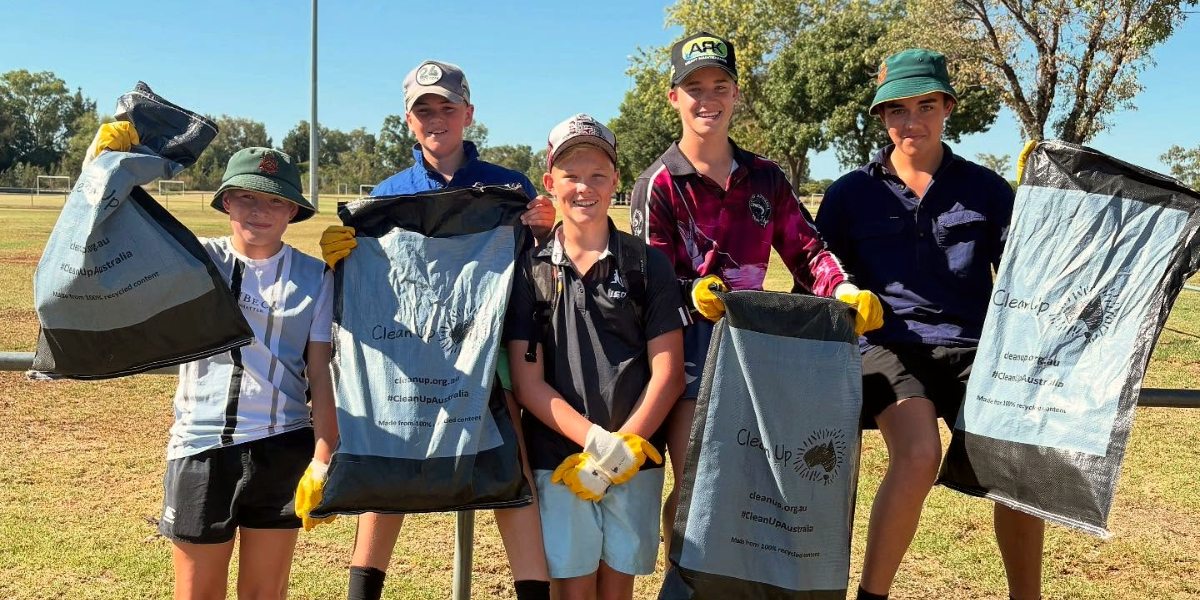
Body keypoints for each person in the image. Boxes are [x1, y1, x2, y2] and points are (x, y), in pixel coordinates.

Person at [629, 31, 884, 557]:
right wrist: (690, 291)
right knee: (702, 488)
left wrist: (847, 289)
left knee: (756, 490)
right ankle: (686, 581)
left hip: (761, 355)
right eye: (694, 87)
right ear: (674, 97)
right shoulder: (658, 183)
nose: (708, 99)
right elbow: (645, 282)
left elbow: (809, 252)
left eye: (720, 85)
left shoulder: (767, 177)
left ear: (736, 93)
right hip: (688, 360)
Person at [318, 59, 555, 600]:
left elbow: (533, 271)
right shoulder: (387, 194)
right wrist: (343, 261)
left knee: (510, 476)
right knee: (388, 466)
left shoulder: (507, 186)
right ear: (408, 118)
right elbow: (371, 291)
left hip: (488, 356)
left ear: (468, 114)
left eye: (447, 107)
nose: (436, 118)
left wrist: (543, 233)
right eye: (424, 109)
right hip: (412, 355)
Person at [814, 49, 1045, 600]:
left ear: (947, 108)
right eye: (895, 109)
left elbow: (1026, 274)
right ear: (882, 118)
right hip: (888, 349)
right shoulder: (849, 194)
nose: (909, 121)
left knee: (1016, 464)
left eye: (924, 105)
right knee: (918, 455)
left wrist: (1043, 203)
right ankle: (873, 595)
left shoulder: (987, 190)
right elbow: (818, 278)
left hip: (976, 350)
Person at [139, 144, 334, 600]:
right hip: (201, 447)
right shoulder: (195, 260)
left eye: (274, 200)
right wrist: (103, 168)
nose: (260, 211)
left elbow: (322, 374)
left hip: (284, 447)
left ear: (292, 210)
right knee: (197, 594)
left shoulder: (317, 276)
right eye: (247, 197)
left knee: (266, 593)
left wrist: (323, 458)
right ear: (226, 200)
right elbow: (113, 242)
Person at [506, 113, 688, 600]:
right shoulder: (531, 270)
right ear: (549, 183)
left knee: (617, 589)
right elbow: (528, 383)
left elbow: (667, 373)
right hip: (561, 460)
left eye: (597, 175)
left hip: (637, 457)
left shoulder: (647, 264)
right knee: (573, 589)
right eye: (570, 176)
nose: (583, 187)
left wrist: (622, 449)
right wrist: (595, 444)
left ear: (616, 180)